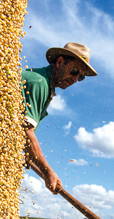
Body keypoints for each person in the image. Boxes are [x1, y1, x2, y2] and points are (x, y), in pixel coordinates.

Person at [21, 42, 97, 193]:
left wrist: (25, 154)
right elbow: (25, 132)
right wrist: (47, 171)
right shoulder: (39, 83)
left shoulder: (43, 83)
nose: (75, 79)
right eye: (74, 71)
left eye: (80, 77)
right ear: (60, 62)